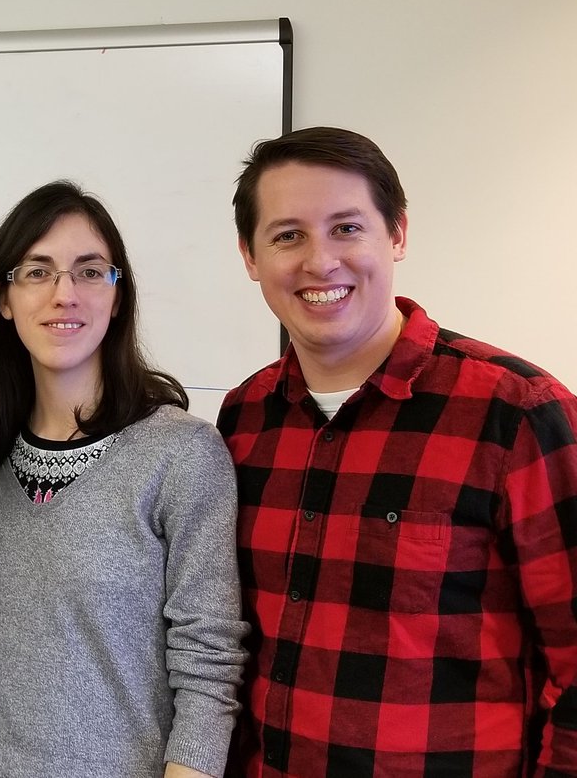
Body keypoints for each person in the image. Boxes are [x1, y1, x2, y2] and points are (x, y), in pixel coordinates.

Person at [218, 125, 577, 776]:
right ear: (250, 256)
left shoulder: (517, 413)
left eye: (347, 228)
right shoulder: (243, 419)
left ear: (399, 235)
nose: (320, 262)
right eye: (287, 235)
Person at [0, 181, 248, 778]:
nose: (65, 294)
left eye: (89, 272)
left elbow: (209, 663)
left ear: (117, 296)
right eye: (37, 271)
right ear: (4, 299)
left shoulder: (182, 453)